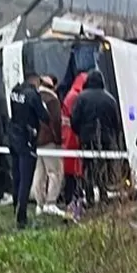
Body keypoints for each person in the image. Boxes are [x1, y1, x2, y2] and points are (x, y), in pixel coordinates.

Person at [70, 70, 124, 205]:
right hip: (106, 139)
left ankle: (89, 197)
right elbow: (116, 122)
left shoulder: (81, 98)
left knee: (88, 168)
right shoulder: (110, 99)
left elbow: (74, 120)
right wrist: (113, 136)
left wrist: (80, 133)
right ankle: (103, 194)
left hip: (87, 138)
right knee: (103, 166)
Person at [7, 75, 49, 229]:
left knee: (16, 175)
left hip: (14, 136)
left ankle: (15, 204)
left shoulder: (15, 90)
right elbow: (45, 116)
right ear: (35, 80)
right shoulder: (32, 95)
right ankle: (21, 215)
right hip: (27, 139)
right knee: (26, 178)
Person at [31, 75, 65, 218]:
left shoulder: (34, 97)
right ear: (54, 86)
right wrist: (58, 139)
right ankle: (51, 203)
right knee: (55, 172)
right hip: (48, 140)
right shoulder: (52, 100)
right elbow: (56, 121)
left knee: (39, 173)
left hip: (35, 140)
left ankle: (39, 204)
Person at [59, 73, 88, 211]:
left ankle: (72, 198)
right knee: (74, 172)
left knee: (70, 172)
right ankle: (73, 199)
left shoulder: (71, 94)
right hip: (72, 139)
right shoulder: (76, 97)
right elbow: (75, 118)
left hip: (67, 138)